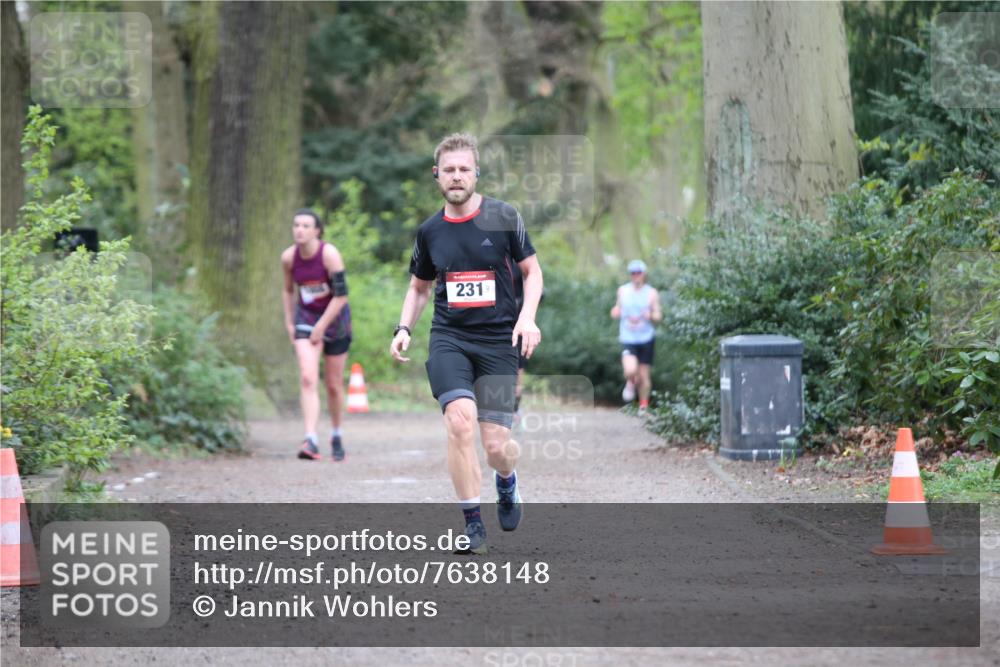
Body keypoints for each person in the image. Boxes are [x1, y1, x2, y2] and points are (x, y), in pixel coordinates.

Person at [390, 133, 543, 555]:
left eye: (464, 169)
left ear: (476, 173)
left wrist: (526, 317)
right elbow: (419, 288)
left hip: (497, 342)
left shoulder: (504, 217)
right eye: (449, 170)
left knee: (497, 447)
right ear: (437, 175)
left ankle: (507, 480)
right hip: (450, 338)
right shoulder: (429, 232)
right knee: (458, 423)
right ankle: (473, 524)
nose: (457, 177)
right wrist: (403, 327)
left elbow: (532, 272)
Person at [281, 208, 352, 461]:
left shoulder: (329, 255)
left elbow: (342, 295)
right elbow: (288, 291)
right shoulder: (289, 258)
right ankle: (310, 438)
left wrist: (323, 326)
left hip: (335, 319)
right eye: (296, 225)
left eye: (305, 226)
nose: (299, 230)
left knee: (333, 385)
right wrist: (290, 323)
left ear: (317, 231)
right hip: (306, 318)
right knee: (308, 377)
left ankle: (336, 433)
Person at [610, 259, 661, 414]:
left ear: (644, 274)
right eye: (633, 273)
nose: (635, 276)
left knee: (644, 376)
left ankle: (643, 405)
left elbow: (658, 316)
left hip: (646, 338)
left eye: (638, 273)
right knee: (630, 369)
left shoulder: (651, 293)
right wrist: (615, 312)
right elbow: (615, 310)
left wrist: (651, 315)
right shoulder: (623, 291)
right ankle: (631, 382)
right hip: (628, 338)